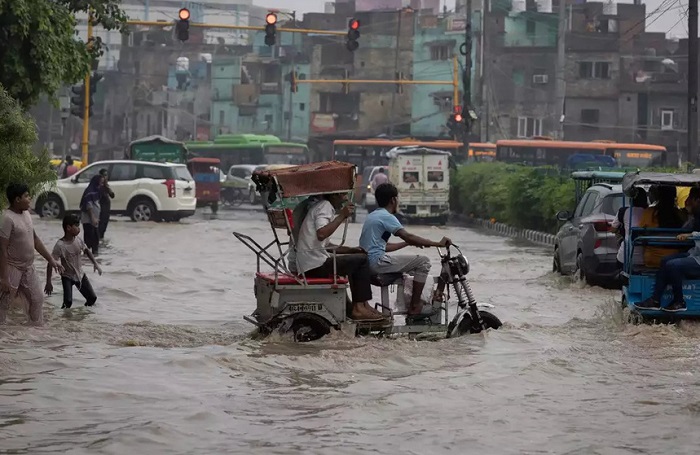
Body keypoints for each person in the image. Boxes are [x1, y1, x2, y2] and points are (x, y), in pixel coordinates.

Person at [288, 193, 389, 322]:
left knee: (358, 258)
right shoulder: (325, 206)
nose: (346, 198)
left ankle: (363, 306)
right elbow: (322, 233)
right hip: (315, 265)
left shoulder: (321, 206)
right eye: (344, 195)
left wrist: (351, 250)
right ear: (334, 196)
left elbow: (325, 245)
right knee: (362, 260)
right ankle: (359, 308)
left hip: (311, 263)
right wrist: (342, 216)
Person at [359, 183, 451, 317]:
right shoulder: (387, 217)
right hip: (377, 262)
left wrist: (407, 243)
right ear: (393, 200)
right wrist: (437, 243)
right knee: (423, 262)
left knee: (415, 264)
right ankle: (415, 305)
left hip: (368, 263)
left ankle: (410, 302)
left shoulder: (373, 216)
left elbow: (383, 246)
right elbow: (408, 235)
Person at [0, 183, 63, 325]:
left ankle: (34, 335)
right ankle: (3, 338)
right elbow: (2, 250)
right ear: (17, 199)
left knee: (37, 298)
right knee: (3, 304)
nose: (30, 199)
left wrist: (51, 260)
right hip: (12, 267)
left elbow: (35, 240)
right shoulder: (7, 219)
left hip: (28, 267)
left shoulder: (27, 214)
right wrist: (4, 278)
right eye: (27, 196)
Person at [636, 187, 700, 312]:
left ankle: (679, 301)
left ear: (697, 200)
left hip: (698, 259)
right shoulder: (691, 215)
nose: (687, 201)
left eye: (690, 199)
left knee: (673, 265)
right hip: (695, 254)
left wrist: (690, 235)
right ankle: (655, 300)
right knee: (665, 260)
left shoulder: (651, 212)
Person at [45, 214, 102, 308]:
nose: (79, 229)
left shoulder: (78, 240)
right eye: (77, 226)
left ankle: (82, 315)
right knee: (68, 302)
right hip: (67, 276)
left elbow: (87, 251)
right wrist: (48, 282)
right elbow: (50, 263)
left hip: (80, 274)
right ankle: (63, 320)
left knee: (92, 298)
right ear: (68, 228)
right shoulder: (60, 245)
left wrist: (95, 263)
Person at [638, 185, 686, 268]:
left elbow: (640, 231)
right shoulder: (680, 214)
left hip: (652, 259)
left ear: (658, 195)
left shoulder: (649, 212)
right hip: (674, 258)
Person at [611, 188, 648, 269]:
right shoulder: (650, 212)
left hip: (625, 258)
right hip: (646, 258)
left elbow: (613, 229)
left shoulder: (623, 211)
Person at [80, 175, 103, 256]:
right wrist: (93, 218)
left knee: (96, 239)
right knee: (90, 239)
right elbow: (88, 206)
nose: (101, 184)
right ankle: (88, 257)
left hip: (94, 220)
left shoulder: (96, 191)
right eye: (100, 182)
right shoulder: (89, 191)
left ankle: (93, 257)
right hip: (88, 220)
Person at [98, 169, 115, 240]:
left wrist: (107, 188)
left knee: (104, 226)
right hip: (101, 210)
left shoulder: (106, 186)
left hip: (106, 210)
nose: (105, 177)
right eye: (104, 175)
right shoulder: (98, 187)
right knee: (100, 227)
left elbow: (112, 195)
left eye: (106, 175)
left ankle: (101, 240)